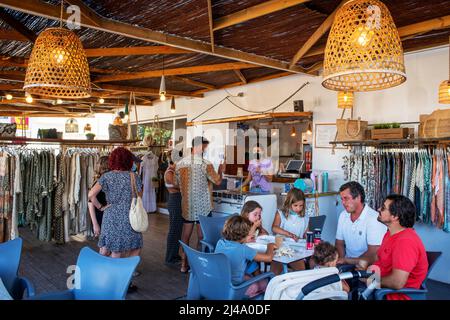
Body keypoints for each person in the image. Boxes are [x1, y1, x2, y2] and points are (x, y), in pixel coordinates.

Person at [176, 136, 225, 273]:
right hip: (203, 205)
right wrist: (221, 169)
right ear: (198, 146)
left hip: (187, 205)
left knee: (185, 235)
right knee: (202, 237)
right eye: (204, 147)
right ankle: (198, 265)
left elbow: (176, 182)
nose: (205, 150)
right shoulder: (205, 163)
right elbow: (218, 181)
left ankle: (183, 265)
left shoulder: (180, 163)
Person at [369, 194, 428, 300]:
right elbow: (382, 261)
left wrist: (371, 280)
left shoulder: (405, 242)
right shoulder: (390, 234)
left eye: (383, 208)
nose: (378, 209)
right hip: (379, 286)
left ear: (395, 216)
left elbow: (397, 282)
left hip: (393, 295)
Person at [215, 216, 277, 298]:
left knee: (249, 276)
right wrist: (270, 245)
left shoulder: (220, 242)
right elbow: (268, 258)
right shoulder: (244, 249)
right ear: (244, 235)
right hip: (236, 288)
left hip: (221, 282)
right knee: (268, 283)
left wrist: (244, 240)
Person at [336, 181, 386, 266]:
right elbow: (339, 243)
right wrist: (341, 262)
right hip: (347, 264)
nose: (343, 203)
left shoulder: (374, 218)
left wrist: (349, 262)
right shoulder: (343, 215)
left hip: (368, 266)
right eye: (342, 199)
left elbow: (373, 253)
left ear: (358, 198)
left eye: (346, 198)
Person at [271, 188, 309, 274]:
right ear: (289, 203)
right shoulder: (280, 214)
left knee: (301, 272)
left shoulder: (305, 218)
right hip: (280, 249)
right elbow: (274, 228)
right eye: (295, 205)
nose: (298, 208)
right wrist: (288, 234)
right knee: (274, 274)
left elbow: (306, 234)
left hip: (296, 251)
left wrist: (311, 239)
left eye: (301, 206)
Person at [88, 156, 109, 254]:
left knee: (104, 246)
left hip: (103, 216)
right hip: (100, 216)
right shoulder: (101, 181)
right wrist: (95, 224)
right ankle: (103, 267)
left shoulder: (102, 180)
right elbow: (90, 202)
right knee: (105, 247)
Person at [164, 158, 183, 266]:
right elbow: (177, 185)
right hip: (174, 200)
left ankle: (174, 255)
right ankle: (170, 258)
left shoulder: (173, 172)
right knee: (174, 230)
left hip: (177, 200)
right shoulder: (169, 172)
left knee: (177, 230)